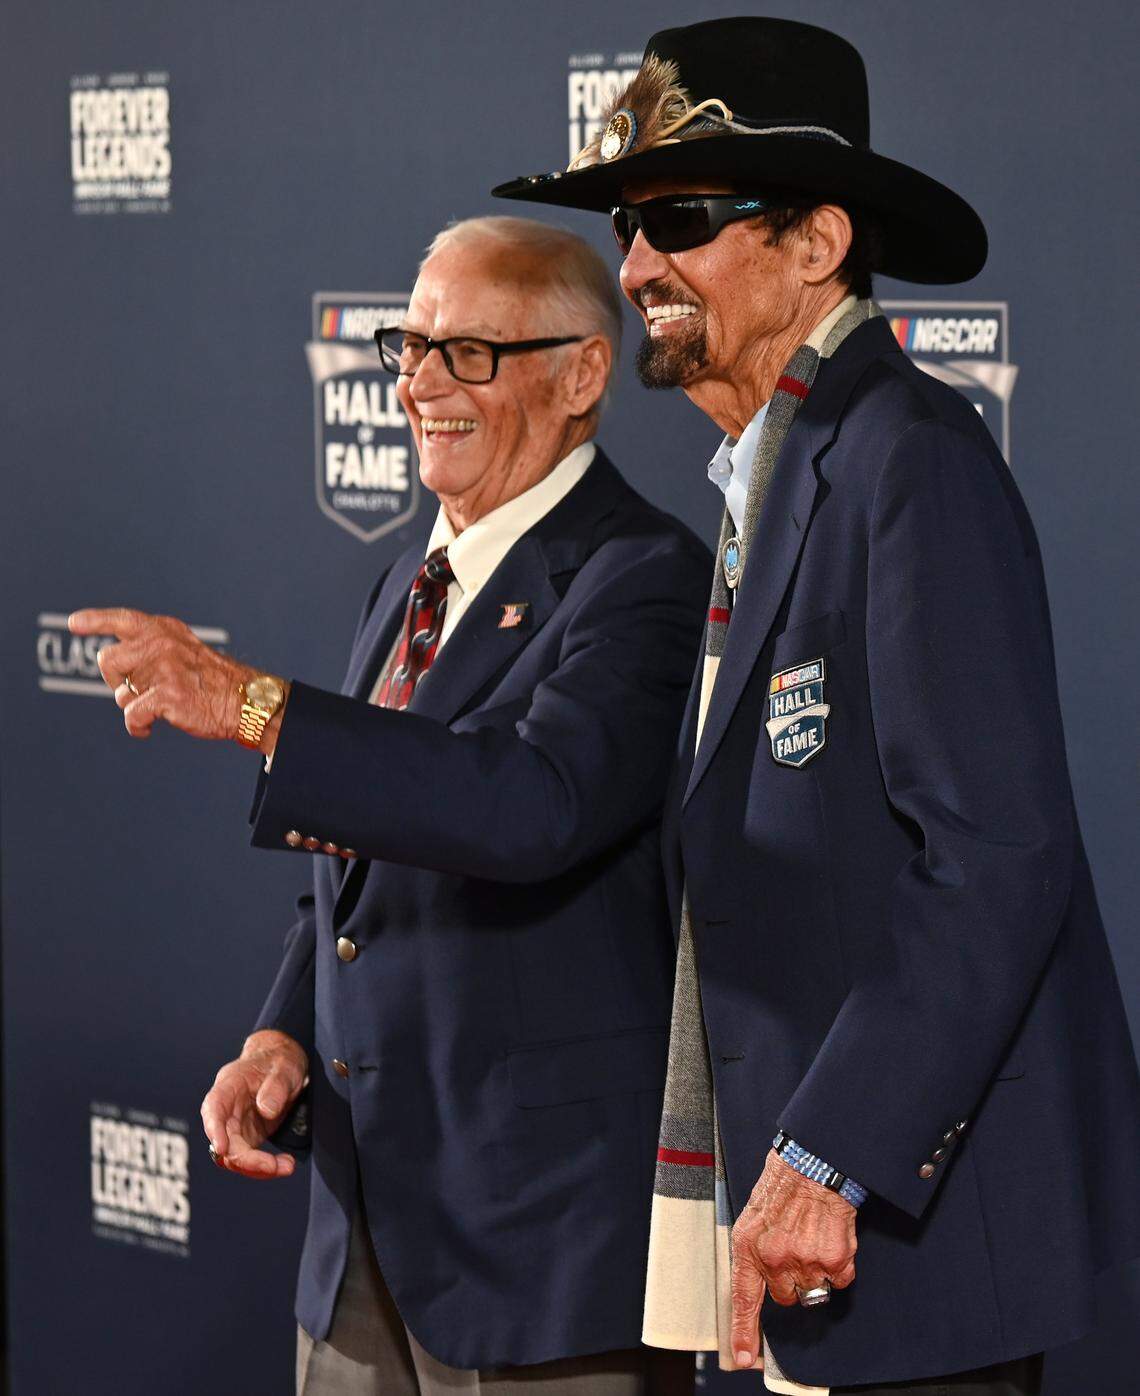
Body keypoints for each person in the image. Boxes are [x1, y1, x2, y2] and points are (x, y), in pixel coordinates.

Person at [493, 17, 1140, 1396]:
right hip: (811, 1224)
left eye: (682, 219)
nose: (636, 266)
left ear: (817, 243)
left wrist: (830, 1150)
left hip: (904, 1230)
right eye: (627, 225)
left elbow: (996, 854)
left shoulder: (906, 459)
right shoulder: (779, 465)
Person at [70, 215, 709, 1395]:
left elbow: (529, 805)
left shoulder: (647, 577)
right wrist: (281, 1032)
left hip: (538, 1249)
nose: (418, 384)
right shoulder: (410, 582)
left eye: (469, 352)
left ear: (582, 374)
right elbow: (363, 860)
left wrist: (255, 705)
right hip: (361, 1225)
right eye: (409, 346)